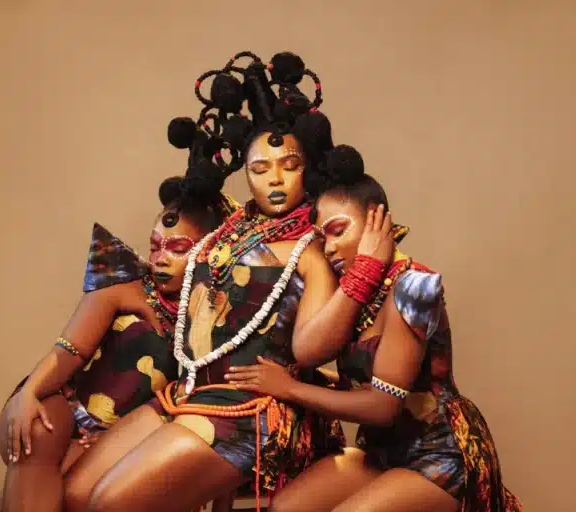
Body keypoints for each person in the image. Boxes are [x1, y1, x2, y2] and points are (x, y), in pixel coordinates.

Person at [62, 51, 361, 512]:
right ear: (245, 173)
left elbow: (311, 350)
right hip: (187, 395)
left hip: (250, 411)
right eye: (260, 169)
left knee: (111, 504)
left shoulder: (313, 250)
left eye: (290, 165)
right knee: (78, 494)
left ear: (310, 168)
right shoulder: (223, 232)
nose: (275, 179)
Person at [226, 167, 523, 511]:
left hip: (439, 456)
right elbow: (365, 376)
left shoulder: (414, 286)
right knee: (287, 507)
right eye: (322, 239)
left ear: (375, 221)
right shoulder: (357, 291)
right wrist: (311, 379)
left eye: (338, 231)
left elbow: (383, 406)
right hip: (382, 453)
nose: (331, 248)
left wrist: (290, 389)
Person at [0, 169, 238, 512]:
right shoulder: (124, 286)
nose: (161, 258)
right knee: (37, 430)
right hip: (61, 408)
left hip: (120, 437)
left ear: (211, 250)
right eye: (155, 246)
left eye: (178, 248)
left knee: (49, 497)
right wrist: (30, 392)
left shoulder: (219, 318)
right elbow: (69, 350)